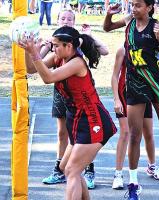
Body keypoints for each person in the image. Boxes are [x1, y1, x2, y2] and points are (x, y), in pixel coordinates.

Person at [103, 0, 159, 199]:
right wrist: (109, 14)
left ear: (149, 7)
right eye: (132, 5)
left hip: (155, 83)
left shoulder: (157, 26)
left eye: (138, 5)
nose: (133, 9)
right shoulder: (129, 21)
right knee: (135, 135)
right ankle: (134, 183)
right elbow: (107, 28)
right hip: (135, 84)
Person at [19, 25, 117, 200]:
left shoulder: (77, 63)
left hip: (93, 121)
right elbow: (31, 69)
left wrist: (35, 54)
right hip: (78, 121)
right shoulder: (58, 57)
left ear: (69, 46)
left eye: (56, 45)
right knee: (67, 168)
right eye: (52, 45)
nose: (53, 48)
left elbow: (48, 78)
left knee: (72, 170)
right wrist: (29, 49)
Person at [40, 9, 109, 189]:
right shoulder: (57, 50)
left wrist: (91, 36)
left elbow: (46, 76)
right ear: (56, 20)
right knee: (67, 164)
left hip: (89, 115)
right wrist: (37, 47)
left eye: (69, 18)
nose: (65, 21)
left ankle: (88, 169)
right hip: (72, 107)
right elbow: (34, 67)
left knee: (72, 169)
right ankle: (63, 169)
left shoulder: (75, 53)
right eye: (62, 18)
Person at [111, 46, 159, 190]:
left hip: (143, 93)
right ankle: (118, 174)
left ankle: (152, 166)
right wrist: (116, 99)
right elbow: (114, 76)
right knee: (125, 133)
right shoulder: (122, 50)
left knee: (148, 132)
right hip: (126, 95)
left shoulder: (148, 47)